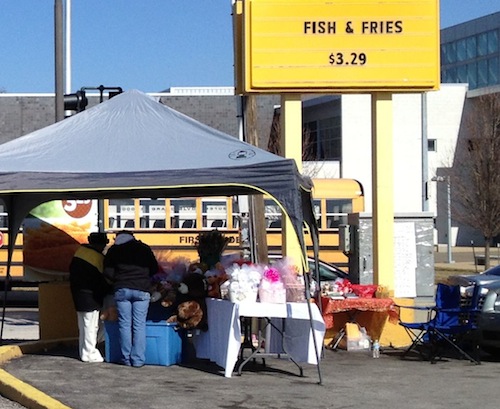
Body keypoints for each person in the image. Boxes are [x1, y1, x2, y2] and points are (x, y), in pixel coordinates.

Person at [103, 230, 158, 367]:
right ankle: (138, 359)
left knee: (125, 324)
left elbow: (108, 272)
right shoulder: (144, 248)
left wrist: (118, 279)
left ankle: (126, 358)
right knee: (139, 325)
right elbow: (154, 268)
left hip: (122, 289)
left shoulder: (114, 250)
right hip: (142, 289)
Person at [69, 232, 111, 363]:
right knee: (91, 327)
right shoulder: (97, 258)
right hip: (91, 297)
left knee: (83, 326)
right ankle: (89, 353)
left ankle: (84, 351)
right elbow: (103, 280)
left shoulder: (79, 253)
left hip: (78, 295)